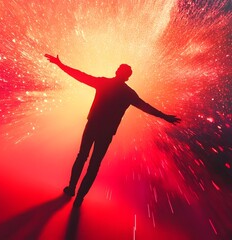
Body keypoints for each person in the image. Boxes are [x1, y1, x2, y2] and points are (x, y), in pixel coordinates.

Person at [45, 54, 181, 207]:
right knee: (94, 164)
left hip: (93, 125)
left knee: (82, 156)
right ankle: (79, 197)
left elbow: (80, 76)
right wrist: (164, 116)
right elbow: (145, 106)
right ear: (127, 77)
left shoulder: (104, 83)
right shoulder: (128, 93)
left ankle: (71, 189)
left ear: (117, 72)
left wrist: (60, 64)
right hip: (106, 131)